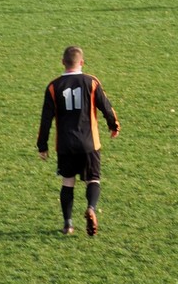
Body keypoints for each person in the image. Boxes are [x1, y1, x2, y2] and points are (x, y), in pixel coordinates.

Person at [37, 46, 121, 236]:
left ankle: (68, 224)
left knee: (68, 182)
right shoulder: (91, 82)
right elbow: (106, 107)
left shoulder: (53, 86)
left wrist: (42, 145)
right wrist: (114, 125)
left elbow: (45, 119)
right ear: (81, 62)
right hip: (89, 143)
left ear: (63, 62)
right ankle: (91, 208)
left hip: (65, 144)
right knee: (93, 179)